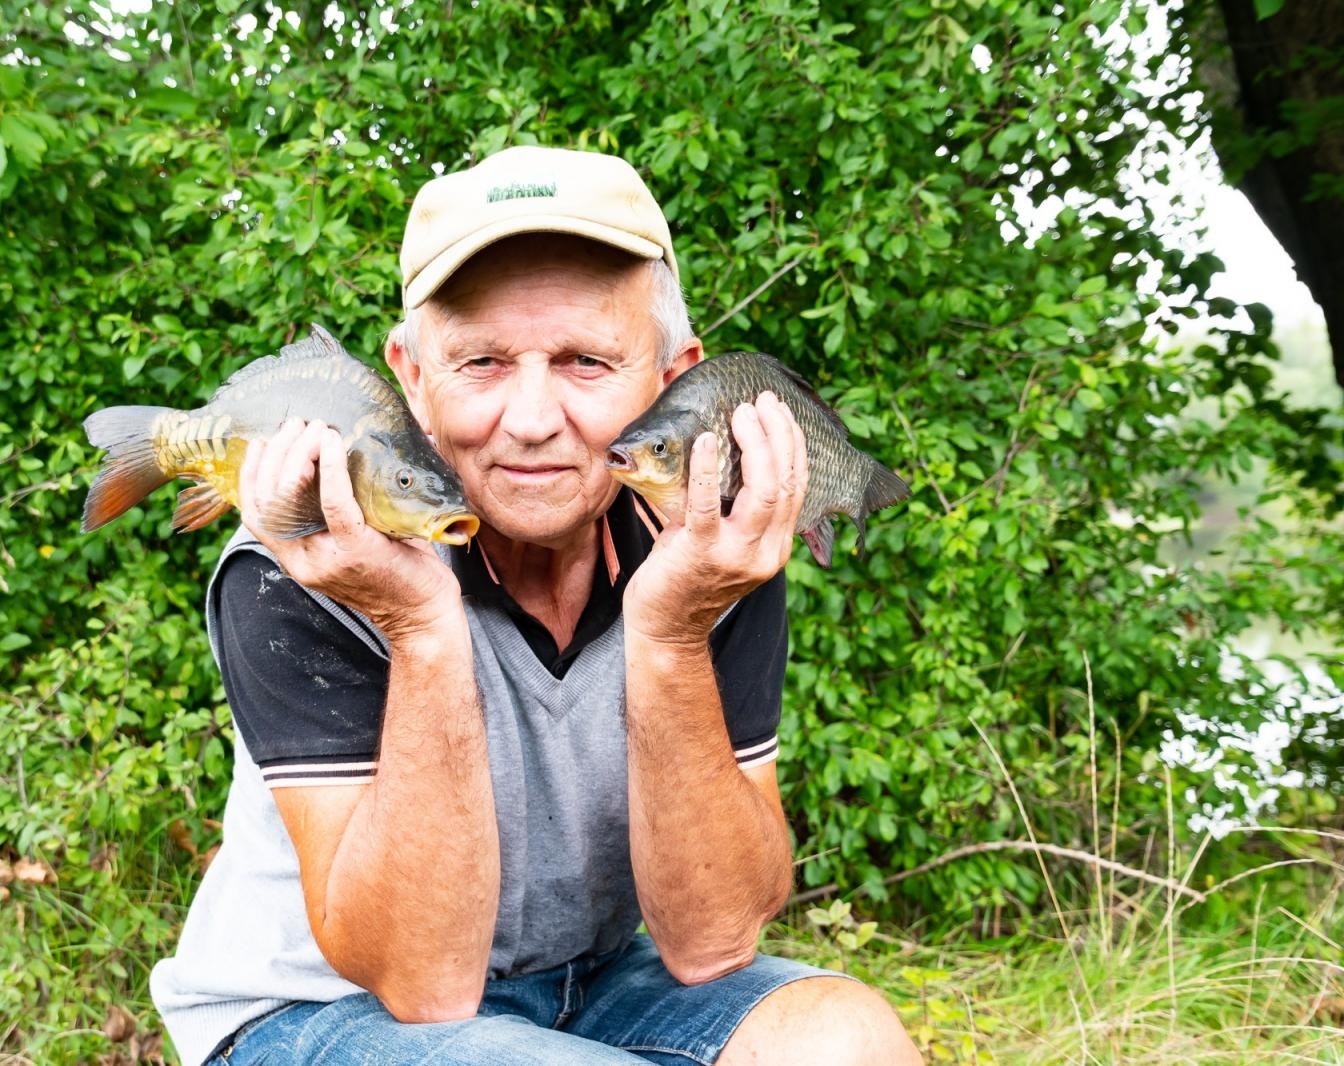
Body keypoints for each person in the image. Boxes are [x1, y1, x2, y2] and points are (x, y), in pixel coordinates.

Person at [150, 146, 921, 1065]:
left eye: (586, 361)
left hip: (586, 984)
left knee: (845, 1040)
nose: (529, 418)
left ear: (674, 377)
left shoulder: (713, 538)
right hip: (315, 1010)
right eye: (480, 361)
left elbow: (713, 941)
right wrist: (419, 626)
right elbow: (424, 984)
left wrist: (673, 633)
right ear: (411, 373)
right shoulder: (308, 559)